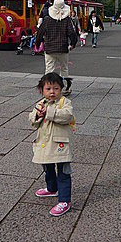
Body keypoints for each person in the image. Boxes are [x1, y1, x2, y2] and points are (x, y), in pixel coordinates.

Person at [29, 72, 74, 217]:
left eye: (56, 88)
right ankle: (51, 188)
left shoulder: (65, 103)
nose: (52, 92)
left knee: (63, 172)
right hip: (44, 145)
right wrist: (38, 115)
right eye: (48, 89)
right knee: (48, 168)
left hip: (60, 145)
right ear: (42, 90)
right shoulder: (40, 104)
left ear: (61, 90)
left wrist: (48, 112)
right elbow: (32, 120)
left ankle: (64, 200)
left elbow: (67, 116)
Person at [35, 0, 77, 95]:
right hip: (63, 48)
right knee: (64, 68)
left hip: (49, 48)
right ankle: (65, 88)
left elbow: (40, 33)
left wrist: (37, 44)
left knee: (49, 69)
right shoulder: (67, 20)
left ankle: (48, 88)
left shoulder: (47, 20)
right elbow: (72, 33)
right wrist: (73, 44)